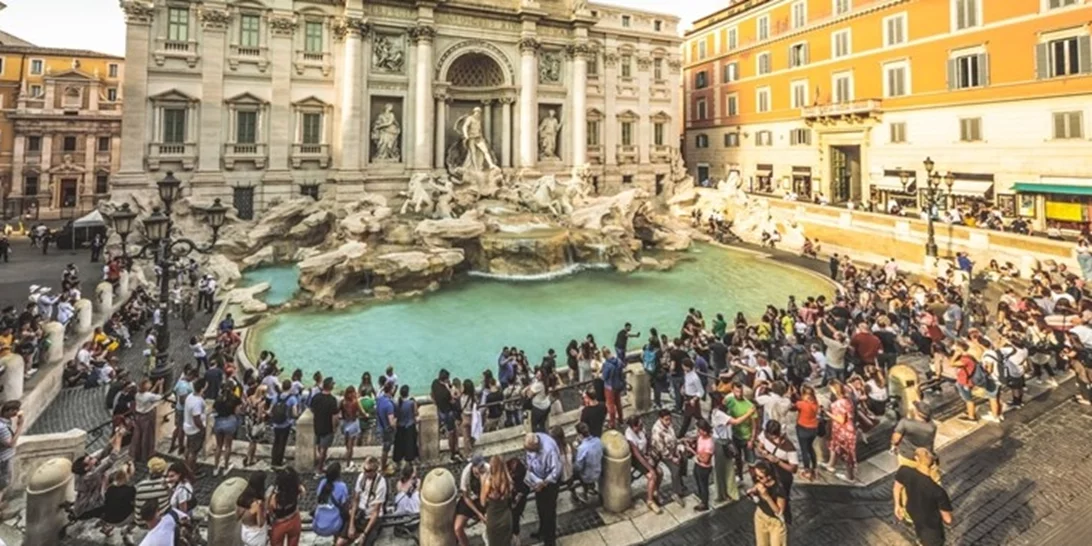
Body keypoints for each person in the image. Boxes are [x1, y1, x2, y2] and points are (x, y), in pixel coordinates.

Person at [894, 448, 954, 546]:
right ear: (934, 465)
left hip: (913, 513)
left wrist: (897, 505)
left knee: (921, 536)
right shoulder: (938, 491)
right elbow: (948, 519)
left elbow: (897, 487)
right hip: (931, 527)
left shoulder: (904, 470)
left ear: (916, 458)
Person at [755, 420, 799, 524]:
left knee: (783, 498)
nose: (771, 438)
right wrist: (764, 452)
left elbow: (794, 469)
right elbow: (759, 446)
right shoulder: (765, 434)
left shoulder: (789, 447)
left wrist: (778, 461)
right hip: (770, 471)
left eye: (774, 436)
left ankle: (785, 520)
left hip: (783, 474)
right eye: (770, 436)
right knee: (768, 495)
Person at [525, 431, 562, 546]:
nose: (529, 452)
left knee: (549, 512)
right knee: (540, 508)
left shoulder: (549, 449)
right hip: (538, 480)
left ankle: (550, 541)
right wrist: (535, 480)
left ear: (536, 446)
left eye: (531, 450)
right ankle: (542, 531)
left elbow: (556, 472)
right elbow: (529, 463)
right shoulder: (531, 443)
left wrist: (544, 483)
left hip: (549, 483)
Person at [624, 415, 663, 514]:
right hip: (636, 459)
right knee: (652, 476)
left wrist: (649, 453)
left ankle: (655, 491)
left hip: (645, 454)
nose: (642, 427)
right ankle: (650, 500)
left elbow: (647, 440)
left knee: (660, 472)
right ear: (633, 427)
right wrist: (650, 468)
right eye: (639, 425)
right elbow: (637, 455)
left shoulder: (642, 429)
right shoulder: (630, 437)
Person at [650, 409, 687, 506]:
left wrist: (678, 449)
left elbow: (673, 438)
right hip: (661, 453)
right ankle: (676, 492)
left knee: (683, 459)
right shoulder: (657, 431)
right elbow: (662, 449)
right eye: (666, 420)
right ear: (660, 419)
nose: (669, 422)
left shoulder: (669, 425)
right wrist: (672, 458)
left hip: (672, 448)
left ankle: (680, 483)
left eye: (670, 419)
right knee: (675, 468)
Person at [824, 380, 857, 482]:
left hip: (843, 431)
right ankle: (830, 464)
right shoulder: (848, 399)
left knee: (847, 453)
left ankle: (850, 476)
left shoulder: (838, 404)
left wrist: (828, 413)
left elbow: (841, 419)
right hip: (845, 429)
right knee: (834, 446)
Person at [750, 460, 788, 546]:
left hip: (774, 522)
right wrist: (752, 492)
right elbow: (755, 497)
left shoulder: (779, 489)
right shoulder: (759, 483)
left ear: (769, 476)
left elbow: (779, 512)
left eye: (760, 477)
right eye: (756, 476)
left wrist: (767, 497)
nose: (757, 479)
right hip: (760, 516)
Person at [724, 381, 757, 480]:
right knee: (737, 457)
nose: (739, 394)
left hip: (746, 437)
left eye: (741, 391)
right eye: (737, 391)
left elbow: (755, 424)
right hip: (735, 435)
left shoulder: (749, 406)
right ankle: (740, 475)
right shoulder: (729, 400)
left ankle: (755, 480)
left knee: (751, 462)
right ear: (732, 391)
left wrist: (752, 439)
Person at [351, 457, 387, 546]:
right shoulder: (361, 477)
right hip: (360, 513)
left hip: (372, 517)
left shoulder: (381, 483)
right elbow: (355, 500)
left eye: (369, 471)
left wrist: (364, 534)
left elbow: (375, 512)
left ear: (375, 471)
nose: (366, 473)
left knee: (365, 543)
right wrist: (351, 525)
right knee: (341, 540)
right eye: (364, 470)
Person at [312, 462, 351, 543]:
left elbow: (318, 498)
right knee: (348, 517)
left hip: (317, 525)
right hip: (334, 526)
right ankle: (340, 540)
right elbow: (345, 506)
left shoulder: (322, 482)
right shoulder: (342, 486)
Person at [480, 454, 515, 546]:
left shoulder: (489, 482)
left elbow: (482, 502)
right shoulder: (508, 481)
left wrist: (482, 482)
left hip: (493, 518)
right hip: (506, 517)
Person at [454, 455, 488, 546]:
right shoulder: (466, 474)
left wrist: (483, 481)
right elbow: (466, 497)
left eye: (482, 466)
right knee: (457, 527)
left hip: (485, 498)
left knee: (490, 521)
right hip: (470, 499)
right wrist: (478, 513)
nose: (481, 469)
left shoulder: (488, 469)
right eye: (479, 467)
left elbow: (486, 496)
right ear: (473, 467)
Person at [309, 377, 340, 478]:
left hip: (317, 425)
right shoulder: (332, 400)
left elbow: (311, 408)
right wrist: (335, 427)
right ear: (331, 387)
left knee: (319, 446)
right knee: (324, 449)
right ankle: (319, 469)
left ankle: (320, 463)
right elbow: (334, 417)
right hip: (327, 428)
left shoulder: (316, 397)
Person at [430, 369, 462, 463]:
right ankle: (453, 453)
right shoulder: (446, 392)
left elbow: (432, 395)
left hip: (440, 411)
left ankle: (442, 428)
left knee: (451, 430)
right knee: (452, 433)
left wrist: (436, 403)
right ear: (446, 379)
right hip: (448, 413)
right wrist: (455, 395)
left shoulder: (434, 383)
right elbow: (452, 401)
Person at [212, 383, 243, 476]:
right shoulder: (235, 399)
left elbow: (214, 410)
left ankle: (216, 467)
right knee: (228, 446)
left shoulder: (218, 399)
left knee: (218, 446)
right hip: (230, 422)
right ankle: (225, 467)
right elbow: (237, 412)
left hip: (219, 422)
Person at [130, 379, 163, 464]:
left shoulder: (138, 394)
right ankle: (146, 454)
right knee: (147, 436)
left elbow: (148, 395)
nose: (150, 384)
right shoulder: (148, 396)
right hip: (147, 416)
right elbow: (160, 397)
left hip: (139, 416)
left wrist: (155, 386)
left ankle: (136, 454)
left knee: (138, 435)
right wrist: (160, 386)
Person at [791, 385, 821, 480]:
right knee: (810, 448)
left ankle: (807, 470)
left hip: (803, 428)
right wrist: (796, 394)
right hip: (814, 428)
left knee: (804, 450)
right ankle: (815, 467)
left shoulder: (802, 404)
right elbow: (803, 401)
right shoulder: (815, 402)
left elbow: (793, 407)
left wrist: (792, 395)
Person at [269, 467, 304, 546]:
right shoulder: (297, 489)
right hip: (294, 518)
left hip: (279, 523)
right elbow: (303, 493)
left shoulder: (275, 496)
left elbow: (271, 508)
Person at [100, 464, 136, 539]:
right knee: (139, 513)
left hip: (107, 518)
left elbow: (103, 497)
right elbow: (135, 504)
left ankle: (107, 528)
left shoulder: (110, 488)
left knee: (110, 506)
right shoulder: (131, 489)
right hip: (121, 520)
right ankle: (127, 530)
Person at [270, 380, 300, 469]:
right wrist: (296, 416)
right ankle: (279, 462)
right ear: (290, 387)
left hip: (276, 424)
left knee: (276, 442)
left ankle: (273, 461)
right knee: (282, 443)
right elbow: (294, 413)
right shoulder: (292, 399)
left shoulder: (276, 397)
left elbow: (271, 410)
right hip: (286, 424)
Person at [687, 419, 715, 511]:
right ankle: (702, 497)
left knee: (703, 485)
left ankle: (704, 503)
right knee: (698, 481)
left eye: (700, 430)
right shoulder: (701, 436)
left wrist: (693, 452)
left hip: (704, 467)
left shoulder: (709, 444)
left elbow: (705, 460)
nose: (698, 432)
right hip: (697, 464)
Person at [0, 401, 23, 513]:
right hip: (4, 458)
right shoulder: (2, 427)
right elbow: (10, 443)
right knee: (3, 483)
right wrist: (19, 426)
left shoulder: (5, 423)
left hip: (4, 457)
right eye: (15, 410)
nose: (17, 412)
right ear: (8, 411)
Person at [181, 378, 207, 476]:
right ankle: (190, 471)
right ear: (202, 388)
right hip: (195, 429)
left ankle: (187, 465)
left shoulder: (190, 396)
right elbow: (197, 419)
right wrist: (203, 429)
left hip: (188, 426)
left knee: (188, 447)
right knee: (194, 451)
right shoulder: (197, 402)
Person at [572, 422, 603, 503]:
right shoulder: (598, 441)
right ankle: (591, 487)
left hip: (588, 476)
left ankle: (584, 492)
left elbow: (578, 467)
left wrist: (576, 450)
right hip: (598, 470)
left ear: (580, 435)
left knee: (574, 470)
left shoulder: (582, 448)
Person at [235, 471, 268, 546]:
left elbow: (237, 517)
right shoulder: (257, 504)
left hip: (245, 531)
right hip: (256, 536)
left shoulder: (241, 498)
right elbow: (260, 523)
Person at [393, 384, 419, 467]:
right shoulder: (411, 402)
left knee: (399, 444)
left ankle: (398, 460)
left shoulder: (397, 403)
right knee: (410, 443)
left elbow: (396, 415)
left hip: (400, 426)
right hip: (409, 425)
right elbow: (415, 413)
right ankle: (410, 459)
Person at [375, 381, 397, 474]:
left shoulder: (379, 399)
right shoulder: (389, 405)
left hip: (381, 426)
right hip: (387, 429)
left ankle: (383, 464)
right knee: (386, 448)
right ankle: (383, 467)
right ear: (391, 390)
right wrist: (396, 423)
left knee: (385, 447)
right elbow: (392, 422)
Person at [600, 347, 625, 429]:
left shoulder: (607, 365)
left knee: (610, 406)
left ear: (604, 356)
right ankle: (621, 420)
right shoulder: (618, 361)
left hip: (609, 387)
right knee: (618, 403)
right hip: (618, 385)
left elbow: (604, 377)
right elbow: (622, 368)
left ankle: (612, 423)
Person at [339, 386, 362, 468]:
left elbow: (338, 412)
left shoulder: (342, 402)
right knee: (351, 445)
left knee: (346, 442)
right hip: (353, 423)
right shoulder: (355, 402)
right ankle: (348, 464)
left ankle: (347, 457)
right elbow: (362, 412)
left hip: (345, 423)